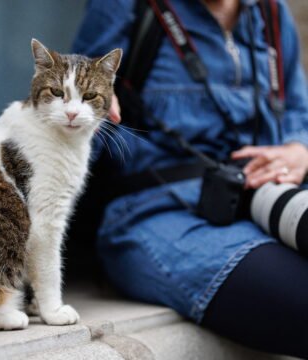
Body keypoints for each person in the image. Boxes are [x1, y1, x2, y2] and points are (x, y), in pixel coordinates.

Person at [72, 0, 308, 357]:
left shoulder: (270, 12)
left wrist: (299, 150)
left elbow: (296, 109)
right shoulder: (129, 6)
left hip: (264, 197)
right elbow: (72, 99)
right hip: (159, 212)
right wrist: (90, 112)